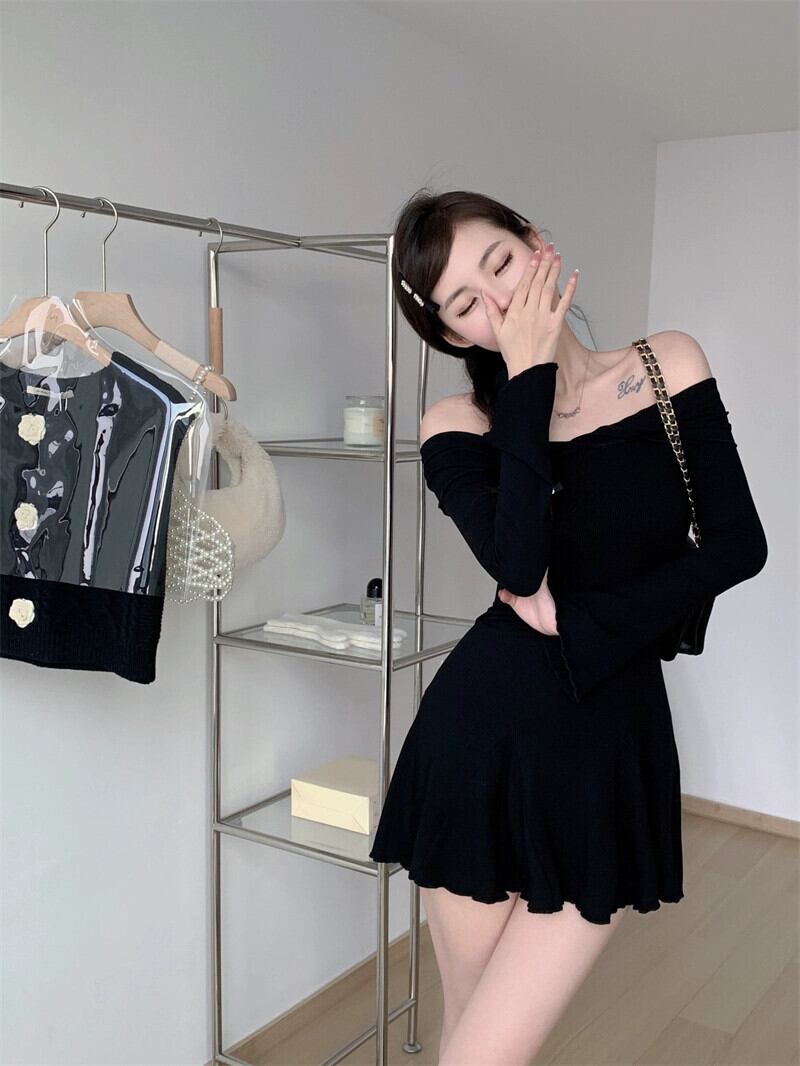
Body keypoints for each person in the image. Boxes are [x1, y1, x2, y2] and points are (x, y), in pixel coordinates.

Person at [368, 189, 768, 1065]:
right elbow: (518, 566)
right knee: (474, 1040)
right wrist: (528, 377)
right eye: (466, 303)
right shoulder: (458, 424)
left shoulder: (666, 364)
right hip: (480, 741)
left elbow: (740, 545)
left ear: (538, 243)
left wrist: (588, 624)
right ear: (453, 336)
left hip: (610, 741)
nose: (501, 301)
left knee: (483, 1050)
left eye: (501, 264)